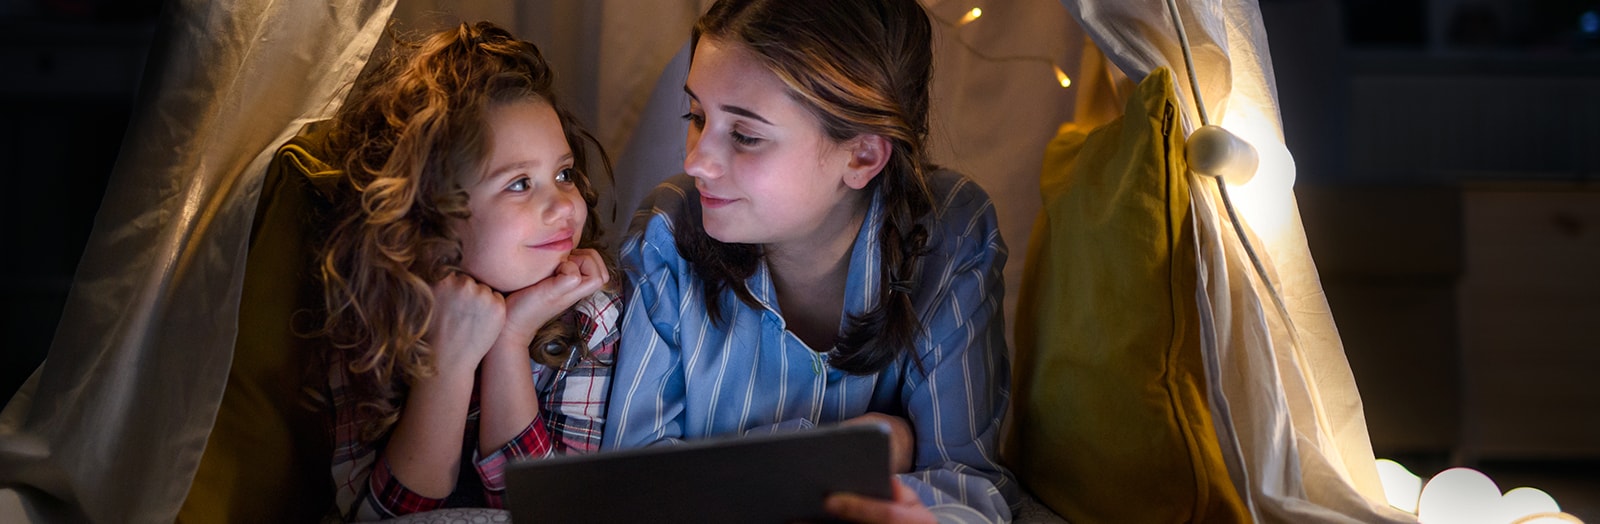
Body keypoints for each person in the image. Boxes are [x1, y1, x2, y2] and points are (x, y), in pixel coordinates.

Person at [602, 0, 1019, 521]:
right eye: (697, 116)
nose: (696, 162)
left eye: (746, 136)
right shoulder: (668, 234)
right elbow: (628, 481)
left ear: (862, 155)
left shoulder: (951, 233)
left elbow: (969, 482)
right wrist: (852, 453)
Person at [314, 21, 618, 521]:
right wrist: (450, 364)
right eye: (519, 184)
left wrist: (509, 341)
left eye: (563, 173)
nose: (564, 205)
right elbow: (377, 517)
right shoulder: (371, 318)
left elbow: (545, 508)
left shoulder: (592, 314)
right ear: (428, 211)